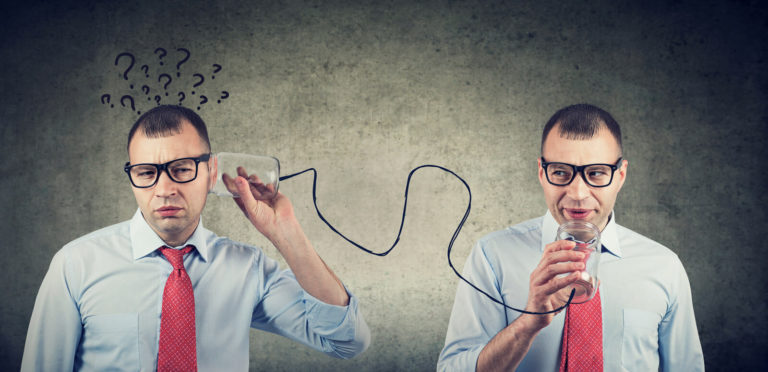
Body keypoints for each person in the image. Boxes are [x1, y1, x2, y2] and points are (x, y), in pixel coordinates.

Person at [21, 105, 370, 371]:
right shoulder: (77, 264)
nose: (164, 189)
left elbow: (346, 340)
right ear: (132, 176)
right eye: (146, 172)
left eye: (182, 168)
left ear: (212, 172)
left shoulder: (246, 268)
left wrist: (286, 233)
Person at [438, 104, 704, 371]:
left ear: (620, 175)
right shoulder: (492, 255)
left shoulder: (664, 266)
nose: (577, 192)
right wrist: (527, 324)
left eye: (597, 173)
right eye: (560, 172)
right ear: (542, 173)